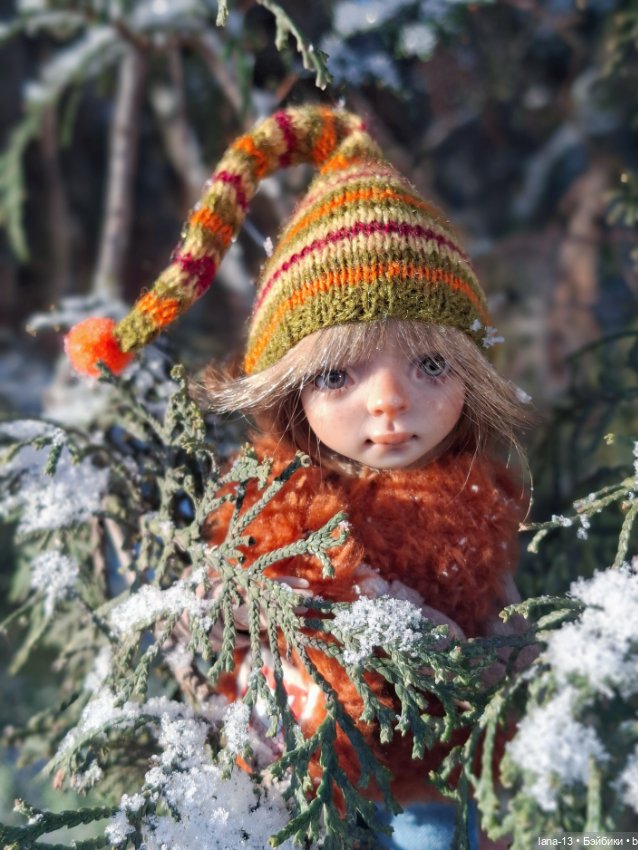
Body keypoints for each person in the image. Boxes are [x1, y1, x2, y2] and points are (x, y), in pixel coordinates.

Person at [65, 104, 531, 849]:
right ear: (290, 390)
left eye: (431, 363)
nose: (388, 400)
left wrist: (492, 666)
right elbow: (226, 616)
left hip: (434, 776)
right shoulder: (269, 505)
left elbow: (506, 631)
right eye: (338, 373)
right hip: (296, 766)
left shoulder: (477, 499)